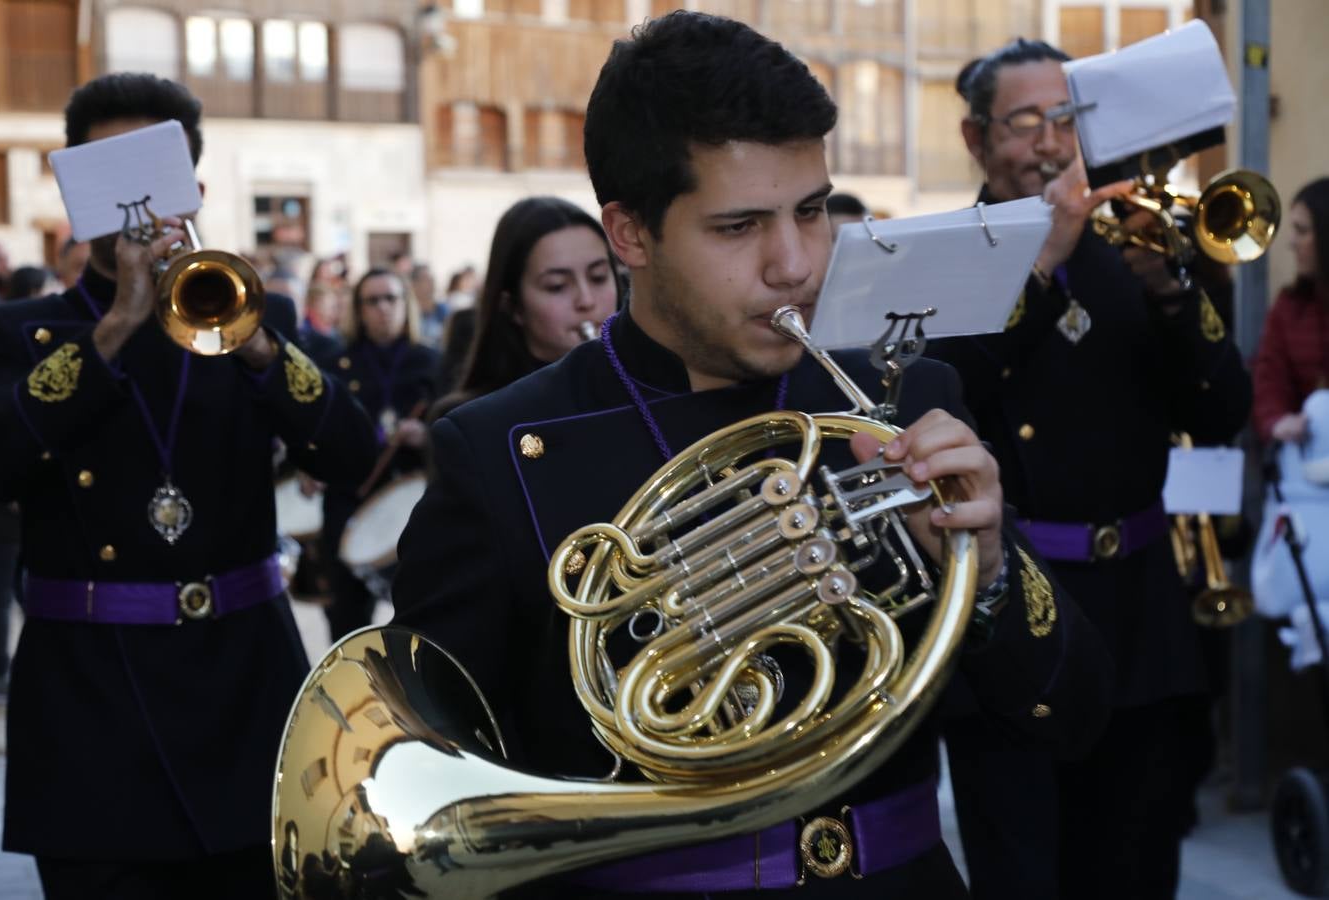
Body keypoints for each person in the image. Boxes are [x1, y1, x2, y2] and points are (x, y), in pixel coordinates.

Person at [392, 13, 1112, 898]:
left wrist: (992, 571)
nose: (795, 264)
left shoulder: (904, 398)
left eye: (810, 211)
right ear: (629, 235)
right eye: (739, 228)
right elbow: (442, 800)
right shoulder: (499, 449)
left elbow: (1073, 714)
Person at [0, 72, 378, 899]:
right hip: (90, 699)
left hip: (243, 681)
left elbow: (350, 453)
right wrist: (117, 325)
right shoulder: (19, 333)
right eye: (108, 175)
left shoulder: (248, 320)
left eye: (155, 178)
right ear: (74, 192)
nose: (136, 206)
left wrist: (262, 350)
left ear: (194, 186)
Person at [925, 39, 1253, 900]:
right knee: (1025, 872)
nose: (1049, 142)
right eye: (1026, 121)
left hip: (1143, 613)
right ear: (975, 137)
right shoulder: (946, 256)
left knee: (1139, 868)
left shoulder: (1135, 247)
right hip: (1010, 621)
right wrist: (1040, 264)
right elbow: (949, 389)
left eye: (1067, 118)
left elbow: (1223, 412)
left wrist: (1178, 293)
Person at [317, 268, 439, 642]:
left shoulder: (434, 362)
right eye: (372, 300)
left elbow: (460, 430)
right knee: (345, 619)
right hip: (351, 501)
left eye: (391, 298)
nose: (383, 308)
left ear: (406, 304)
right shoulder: (338, 365)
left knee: (426, 619)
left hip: (416, 504)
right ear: (358, 309)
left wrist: (426, 436)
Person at [431, 195, 619, 420]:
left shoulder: (650, 389)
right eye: (556, 286)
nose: (586, 300)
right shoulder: (474, 420)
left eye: (598, 277)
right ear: (513, 306)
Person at [1253, 177, 1329, 450]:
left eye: (1302, 230)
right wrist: (1276, 421)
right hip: (1306, 463)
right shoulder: (1289, 306)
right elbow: (1270, 376)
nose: (1292, 242)